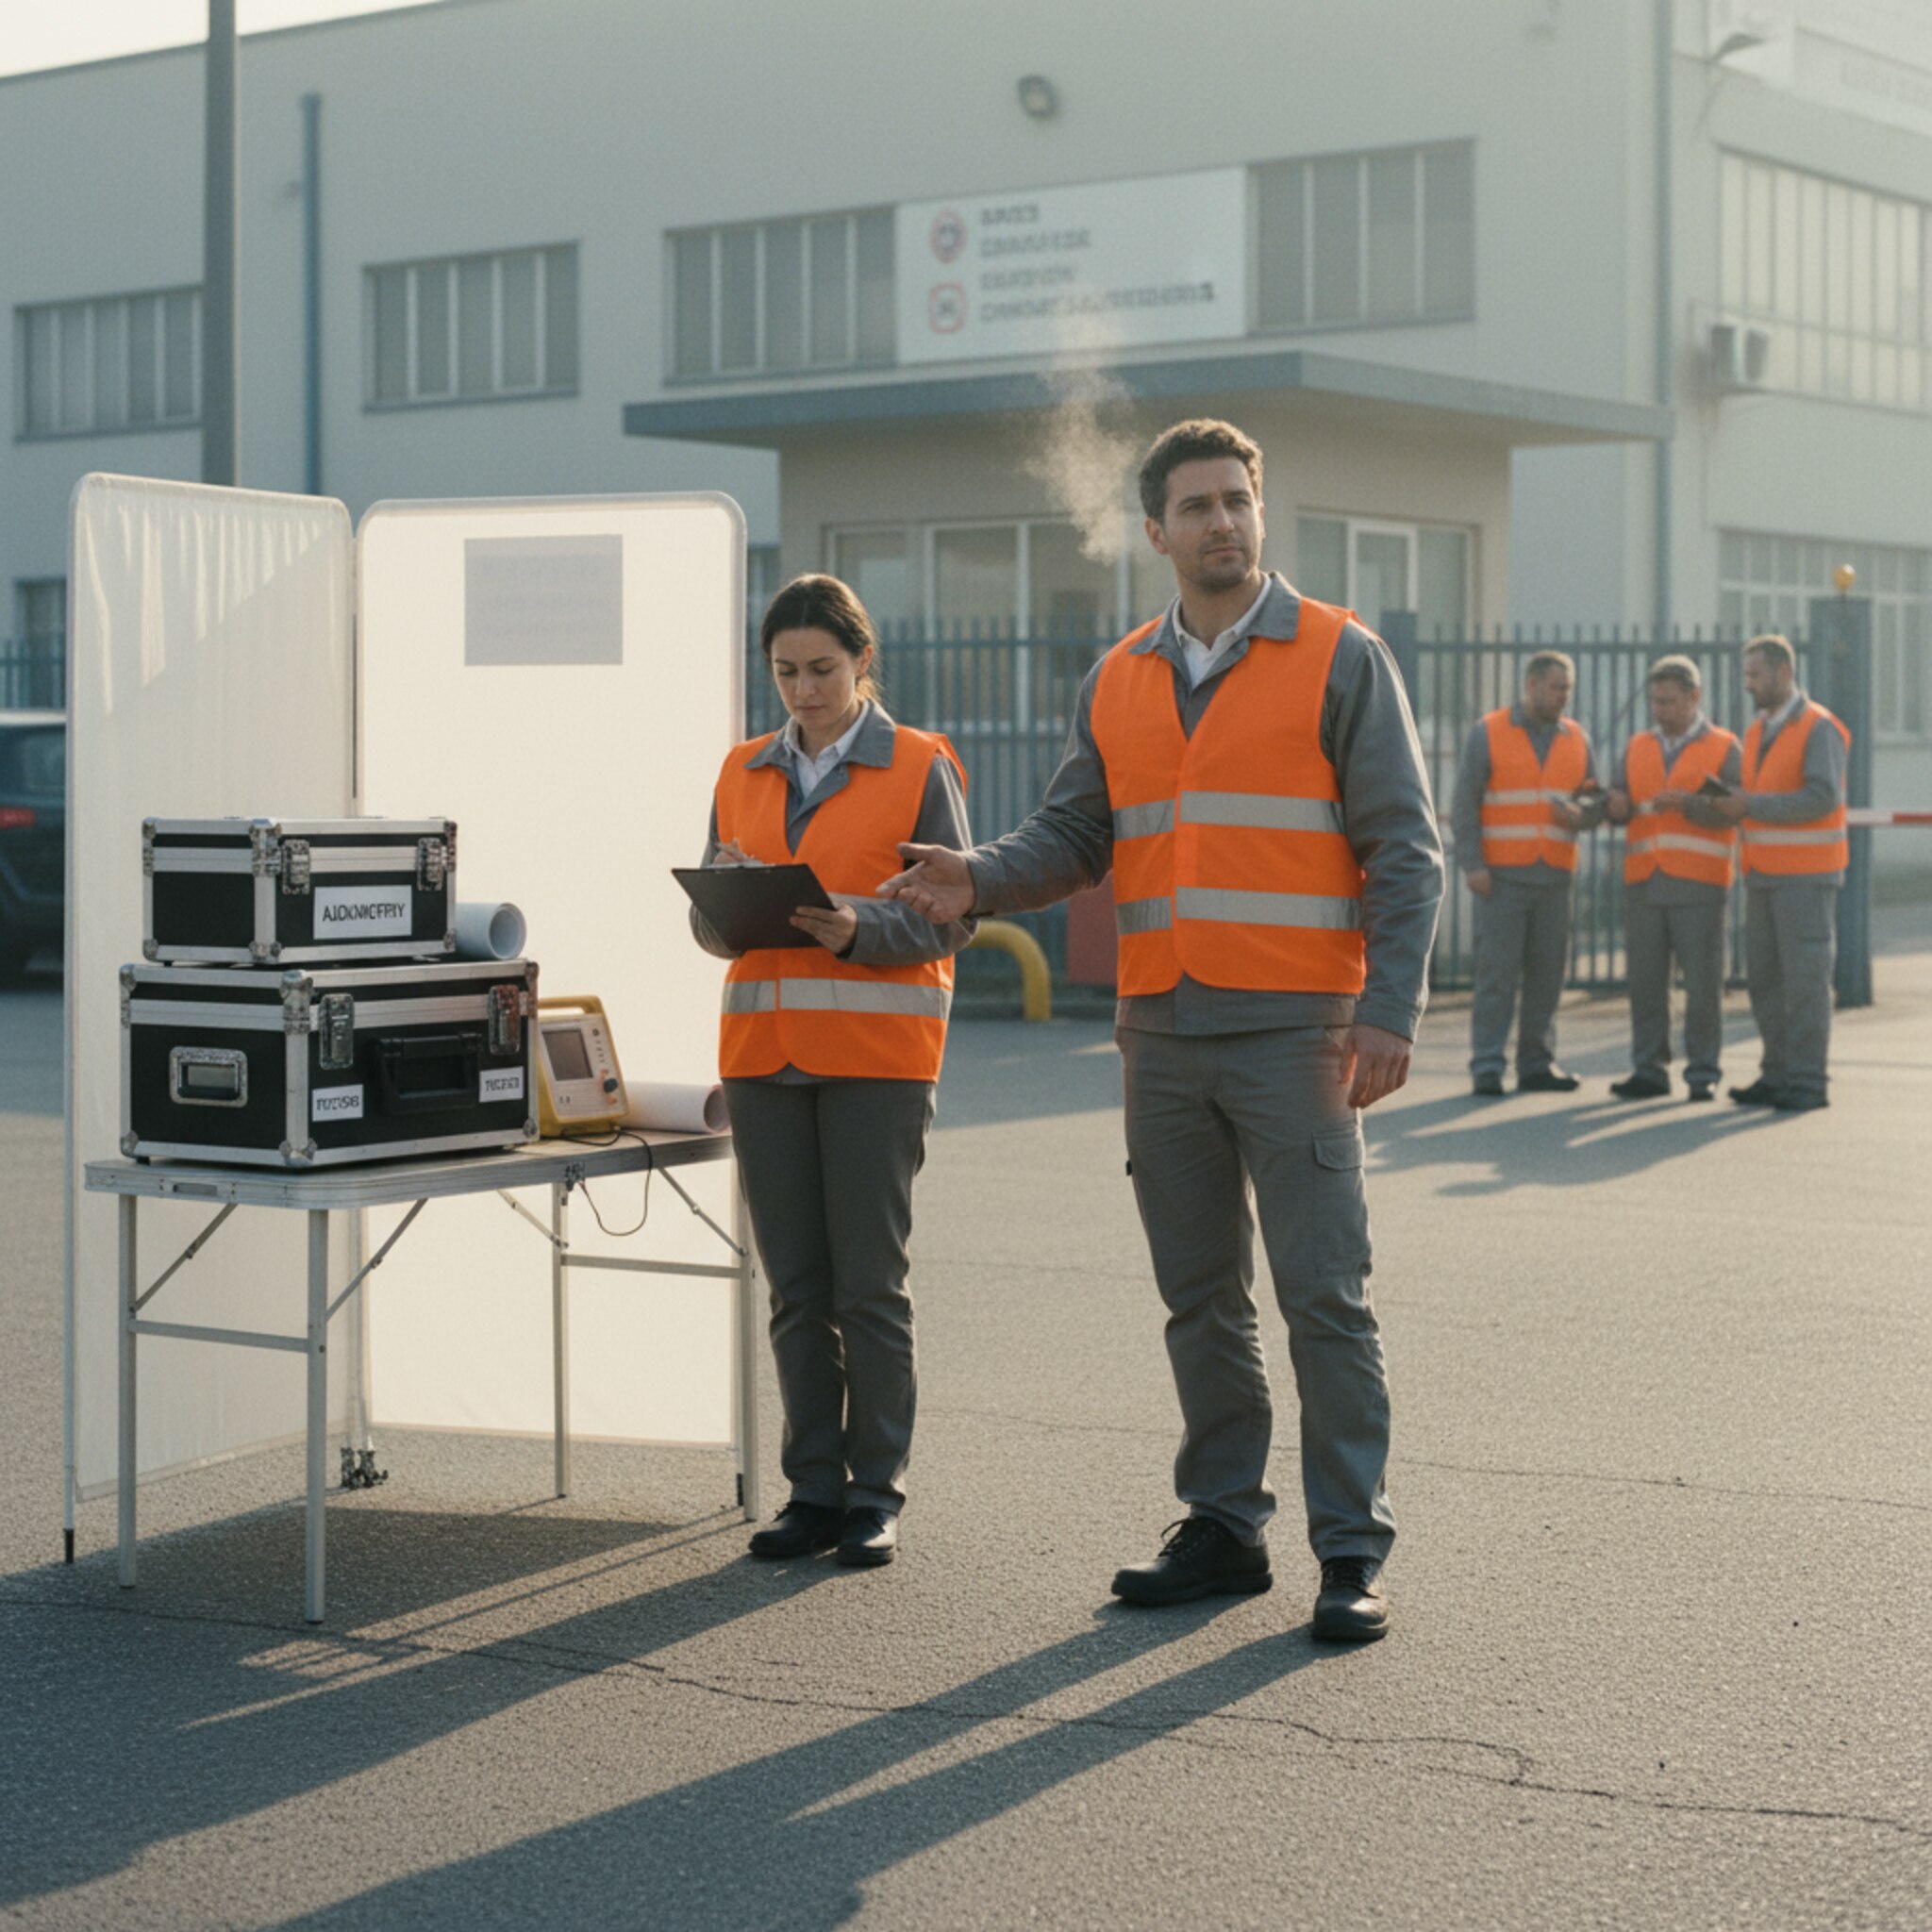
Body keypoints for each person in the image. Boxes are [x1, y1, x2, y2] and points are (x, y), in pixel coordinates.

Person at [880, 419, 1442, 1641]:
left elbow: (1406, 848)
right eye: (1196, 506)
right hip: (1162, 1034)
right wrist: (976, 874)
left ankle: (1349, 1548)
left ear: (1259, 511)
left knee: (1323, 1298)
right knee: (1199, 1298)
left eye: (1237, 499)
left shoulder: (1341, 656)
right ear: (1156, 531)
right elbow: (1074, 835)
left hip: (1299, 1031)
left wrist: (1388, 1010)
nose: (1221, 522)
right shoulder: (1119, 677)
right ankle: (1224, 1526)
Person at [691, 575, 975, 1566]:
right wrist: (723, 906)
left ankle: (873, 1495)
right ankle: (811, 1491)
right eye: (785, 672)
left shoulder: (919, 764)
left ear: (863, 661)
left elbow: (955, 916)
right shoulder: (740, 769)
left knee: (868, 1288)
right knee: (796, 1289)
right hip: (762, 1057)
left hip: (877, 1061)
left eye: (821, 668)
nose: (804, 690)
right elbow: (708, 925)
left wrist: (860, 928)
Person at [1451, 652, 1604, 1095]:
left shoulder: (1577, 738)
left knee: (1547, 977)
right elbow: (1465, 804)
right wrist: (1473, 864)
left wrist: (1581, 814)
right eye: (1557, 688)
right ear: (1532, 685)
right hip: (1501, 879)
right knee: (1496, 977)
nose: (1563, 697)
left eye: (1567, 689)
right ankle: (1487, 1065)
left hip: (1555, 877)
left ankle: (1537, 1064)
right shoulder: (1489, 732)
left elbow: (1594, 798)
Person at [1709, 633, 1848, 1112]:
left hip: (1807, 878)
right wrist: (1729, 799)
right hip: (1763, 875)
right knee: (1766, 982)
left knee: (1805, 984)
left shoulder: (1819, 727)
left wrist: (1749, 804)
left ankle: (1808, 1082)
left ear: (1784, 673)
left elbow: (1822, 797)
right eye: (1746, 674)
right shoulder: (1755, 731)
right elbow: (1759, 794)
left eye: (1755, 675)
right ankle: (1777, 1075)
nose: (1748, 683)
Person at [1603, 656, 1740, 1102]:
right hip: (1645, 882)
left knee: (1702, 986)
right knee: (1646, 985)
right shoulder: (1638, 746)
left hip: (1700, 883)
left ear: (1694, 697)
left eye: (1668, 701)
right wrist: (1614, 806)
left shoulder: (1724, 747)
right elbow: (1619, 800)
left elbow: (1735, 808)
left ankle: (1703, 1072)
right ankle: (1649, 1071)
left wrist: (1689, 804)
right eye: (1655, 701)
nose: (1659, 710)